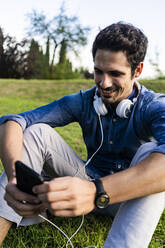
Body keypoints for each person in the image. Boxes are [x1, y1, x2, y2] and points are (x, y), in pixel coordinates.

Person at [0, 21, 165, 248]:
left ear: (137, 71)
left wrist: (95, 192)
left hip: (129, 197)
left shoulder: (153, 106)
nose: (104, 83)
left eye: (115, 74)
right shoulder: (84, 101)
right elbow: (14, 121)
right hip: (88, 181)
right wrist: (14, 179)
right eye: (99, 71)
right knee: (37, 132)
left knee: (151, 152)